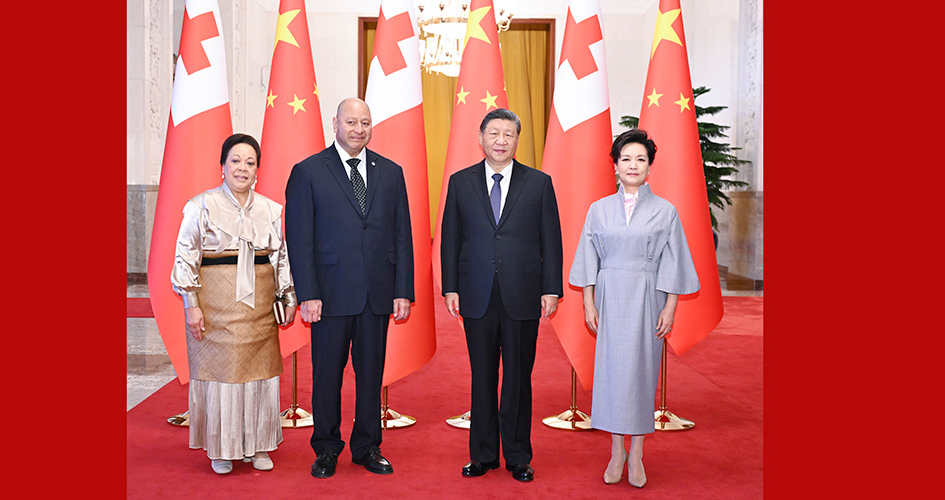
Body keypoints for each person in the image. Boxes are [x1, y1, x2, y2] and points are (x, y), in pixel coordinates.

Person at [284, 97, 415, 479]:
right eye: (351, 122)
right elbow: (300, 239)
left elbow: (402, 235)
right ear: (335, 123)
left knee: (371, 375)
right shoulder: (308, 171)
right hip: (329, 295)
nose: (359, 129)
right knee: (327, 375)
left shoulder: (390, 172)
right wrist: (308, 294)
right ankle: (326, 448)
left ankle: (367, 446)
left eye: (365, 123)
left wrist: (402, 290)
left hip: (377, 293)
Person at [568, 129, 700, 488]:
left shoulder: (665, 211)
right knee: (611, 374)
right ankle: (616, 452)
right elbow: (588, 258)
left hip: (648, 296)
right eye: (626, 158)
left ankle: (637, 453)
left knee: (641, 375)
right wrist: (588, 302)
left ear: (649, 166)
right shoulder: (598, 209)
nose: (633, 165)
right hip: (609, 297)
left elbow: (675, 262)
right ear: (615, 164)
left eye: (640, 159)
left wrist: (670, 307)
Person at [440, 108, 563, 482]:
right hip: (476, 293)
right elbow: (450, 238)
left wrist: (551, 288)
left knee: (518, 377)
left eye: (508, 134)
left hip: (523, 293)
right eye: (494, 133)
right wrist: (450, 286)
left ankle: (518, 455)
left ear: (516, 140)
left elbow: (551, 240)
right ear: (480, 138)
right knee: (482, 376)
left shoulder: (538, 183)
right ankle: (482, 455)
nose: (501, 140)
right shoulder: (460, 182)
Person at [171, 133, 297, 475]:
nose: (243, 168)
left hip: (260, 309)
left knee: (260, 376)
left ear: (257, 169)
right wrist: (191, 304)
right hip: (215, 310)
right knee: (221, 378)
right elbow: (185, 256)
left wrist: (287, 295)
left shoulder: (271, 209)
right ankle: (222, 448)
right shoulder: (200, 206)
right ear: (223, 166)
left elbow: (281, 258)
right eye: (236, 161)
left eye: (250, 162)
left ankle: (258, 445)